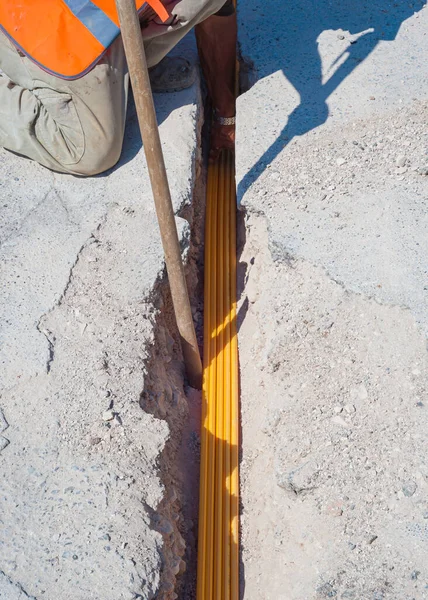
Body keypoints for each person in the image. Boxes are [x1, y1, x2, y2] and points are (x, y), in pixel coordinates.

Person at [0, 0, 236, 176]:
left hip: (118, 12)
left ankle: (132, 62)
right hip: (50, 22)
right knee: (91, 152)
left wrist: (225, 118)